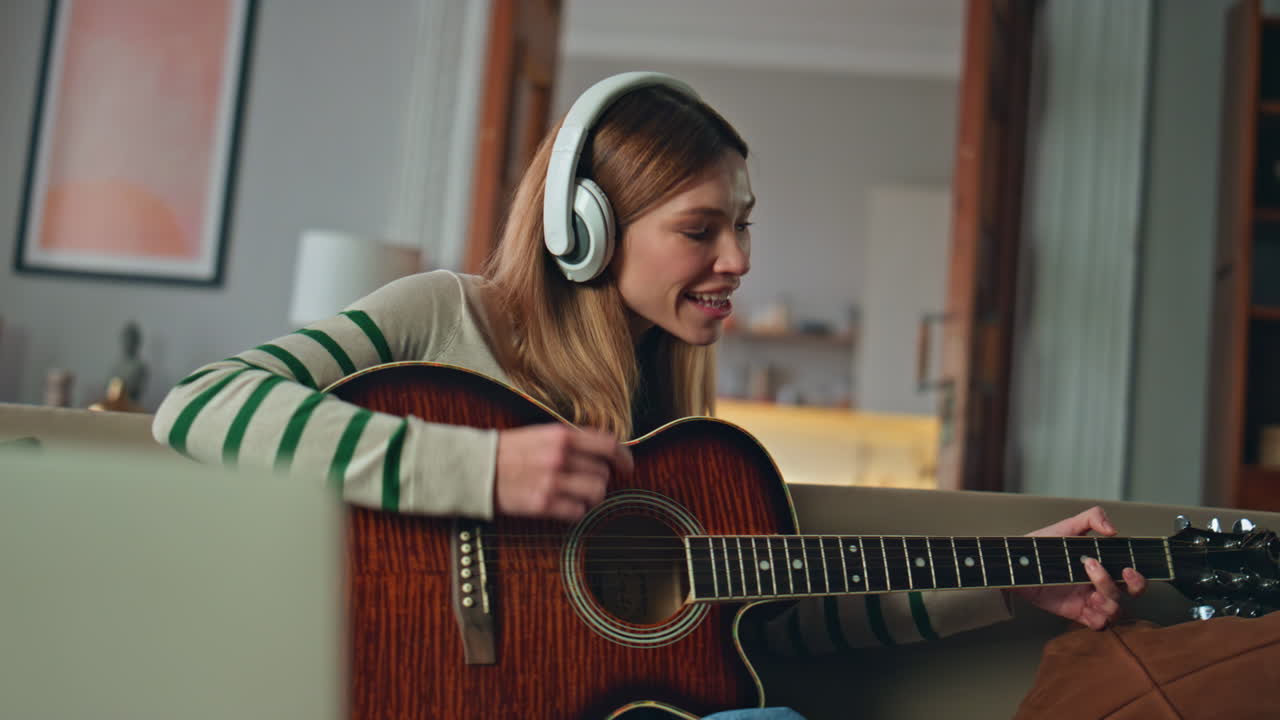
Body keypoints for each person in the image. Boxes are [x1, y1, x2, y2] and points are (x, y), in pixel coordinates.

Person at [152, 72, 1146, 719]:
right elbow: (199, 405)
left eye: (743, 227)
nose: (737, 259)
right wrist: (481, 467)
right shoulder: (444, 315)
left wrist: (1006, 583)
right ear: (585, 229)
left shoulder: (681, 435)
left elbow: (765, 624)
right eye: (701, 229)